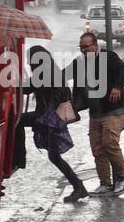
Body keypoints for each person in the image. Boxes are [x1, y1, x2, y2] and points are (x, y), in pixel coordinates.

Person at [17, 45, 88, 203]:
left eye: (30, 61)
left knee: (17, 120)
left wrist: (47, 117)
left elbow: (56, 93)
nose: (29, 64)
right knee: (54, 156)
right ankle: (78, 186)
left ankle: (18, 157)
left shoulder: (48, 72)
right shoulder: (46, 71)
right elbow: (28, 88)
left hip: (50, 119)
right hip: (49, 118)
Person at [65, 33, 124, 196]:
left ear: (95, 45)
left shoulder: (108, 57)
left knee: (110, 144)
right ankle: (105, 183)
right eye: (81, 47)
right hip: (95, 114)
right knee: (97, 149)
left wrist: (117, 86)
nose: (84, 50)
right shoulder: (79, 63)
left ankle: (123, 178)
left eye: (87, 46)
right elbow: (62, 74)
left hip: (114, 112)